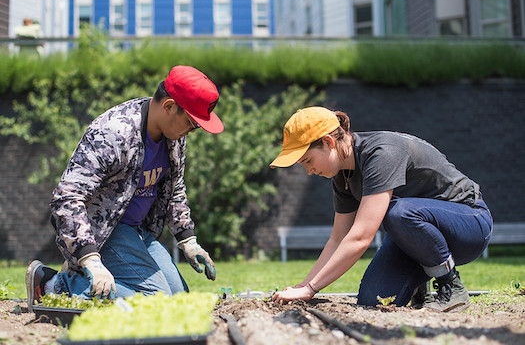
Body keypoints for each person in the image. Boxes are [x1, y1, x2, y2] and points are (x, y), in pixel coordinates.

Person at [26, 65, 222, 311]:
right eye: (193, 123)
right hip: (102, 231)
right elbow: (67, 198)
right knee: (156, 302)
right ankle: (53, 284)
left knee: (178, 298)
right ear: (169, 106)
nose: (194, 131)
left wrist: (187, 238)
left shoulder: (174, 137)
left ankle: (93, 284)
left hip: (137, 231)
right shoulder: (113, 134)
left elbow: (175, 186)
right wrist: (89, 258)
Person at [270, 106, 493, 312]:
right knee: (373, 300)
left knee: (399, 212)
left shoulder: (381, 153)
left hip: (469, 223)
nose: (309, 171)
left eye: (308, 161)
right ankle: (421, 291)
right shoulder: (343, 176)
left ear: (328, 142)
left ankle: (451, 287)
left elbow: (361, 237)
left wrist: (312, 287)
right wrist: (302, 287)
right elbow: (339, 238)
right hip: (414, 237)